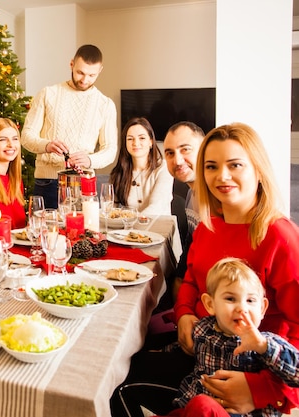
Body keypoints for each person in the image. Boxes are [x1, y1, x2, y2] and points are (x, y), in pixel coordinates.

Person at [111, 122, 299, 417]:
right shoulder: (209, 225)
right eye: (211, 167)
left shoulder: (280, 237)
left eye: (235, 165)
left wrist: (262, 390)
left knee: (118, 385)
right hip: (201, 353)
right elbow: (191, 280)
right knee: (114, 369)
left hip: (250, 371)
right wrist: (184, 313)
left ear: (258, 169)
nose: (222, 176)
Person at [157, 257, 299, 417]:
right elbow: (183, 347)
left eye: (250, 300)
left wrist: (263, 346)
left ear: (262, 308)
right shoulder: (203, 329)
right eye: (230, 299)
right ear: (210, 304)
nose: (242, 308)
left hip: (236, 413)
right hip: (191, 407)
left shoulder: (266, 343)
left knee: (202, 404)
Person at [20, 44, 118, 209]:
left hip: (83, 184)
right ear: (71, 64)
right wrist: (47, 145)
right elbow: (26, 136)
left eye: (91, 75)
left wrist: (89, 159)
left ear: (100, 70)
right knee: (44, 232)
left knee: (83, 233)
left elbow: (110, 150)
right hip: (47, 182)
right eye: (80, 72)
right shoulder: (48, 94)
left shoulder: (105, 104)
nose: (84, 80)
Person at [158, 121, 205, 306]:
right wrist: (178, 278)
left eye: (185, 149)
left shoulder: (218, 200)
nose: (177, 160)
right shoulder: (190, 194)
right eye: (170, 153)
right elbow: (190, 244)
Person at [109, 117, 173, 215]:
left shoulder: (164, 168)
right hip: (129, 229)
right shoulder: (119, 172)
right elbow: (110, 210)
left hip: (160, 228)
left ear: (151, 142)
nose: (136, 143)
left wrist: (130, 222)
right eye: (130, 139)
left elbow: (156, 207)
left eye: (142, 138)